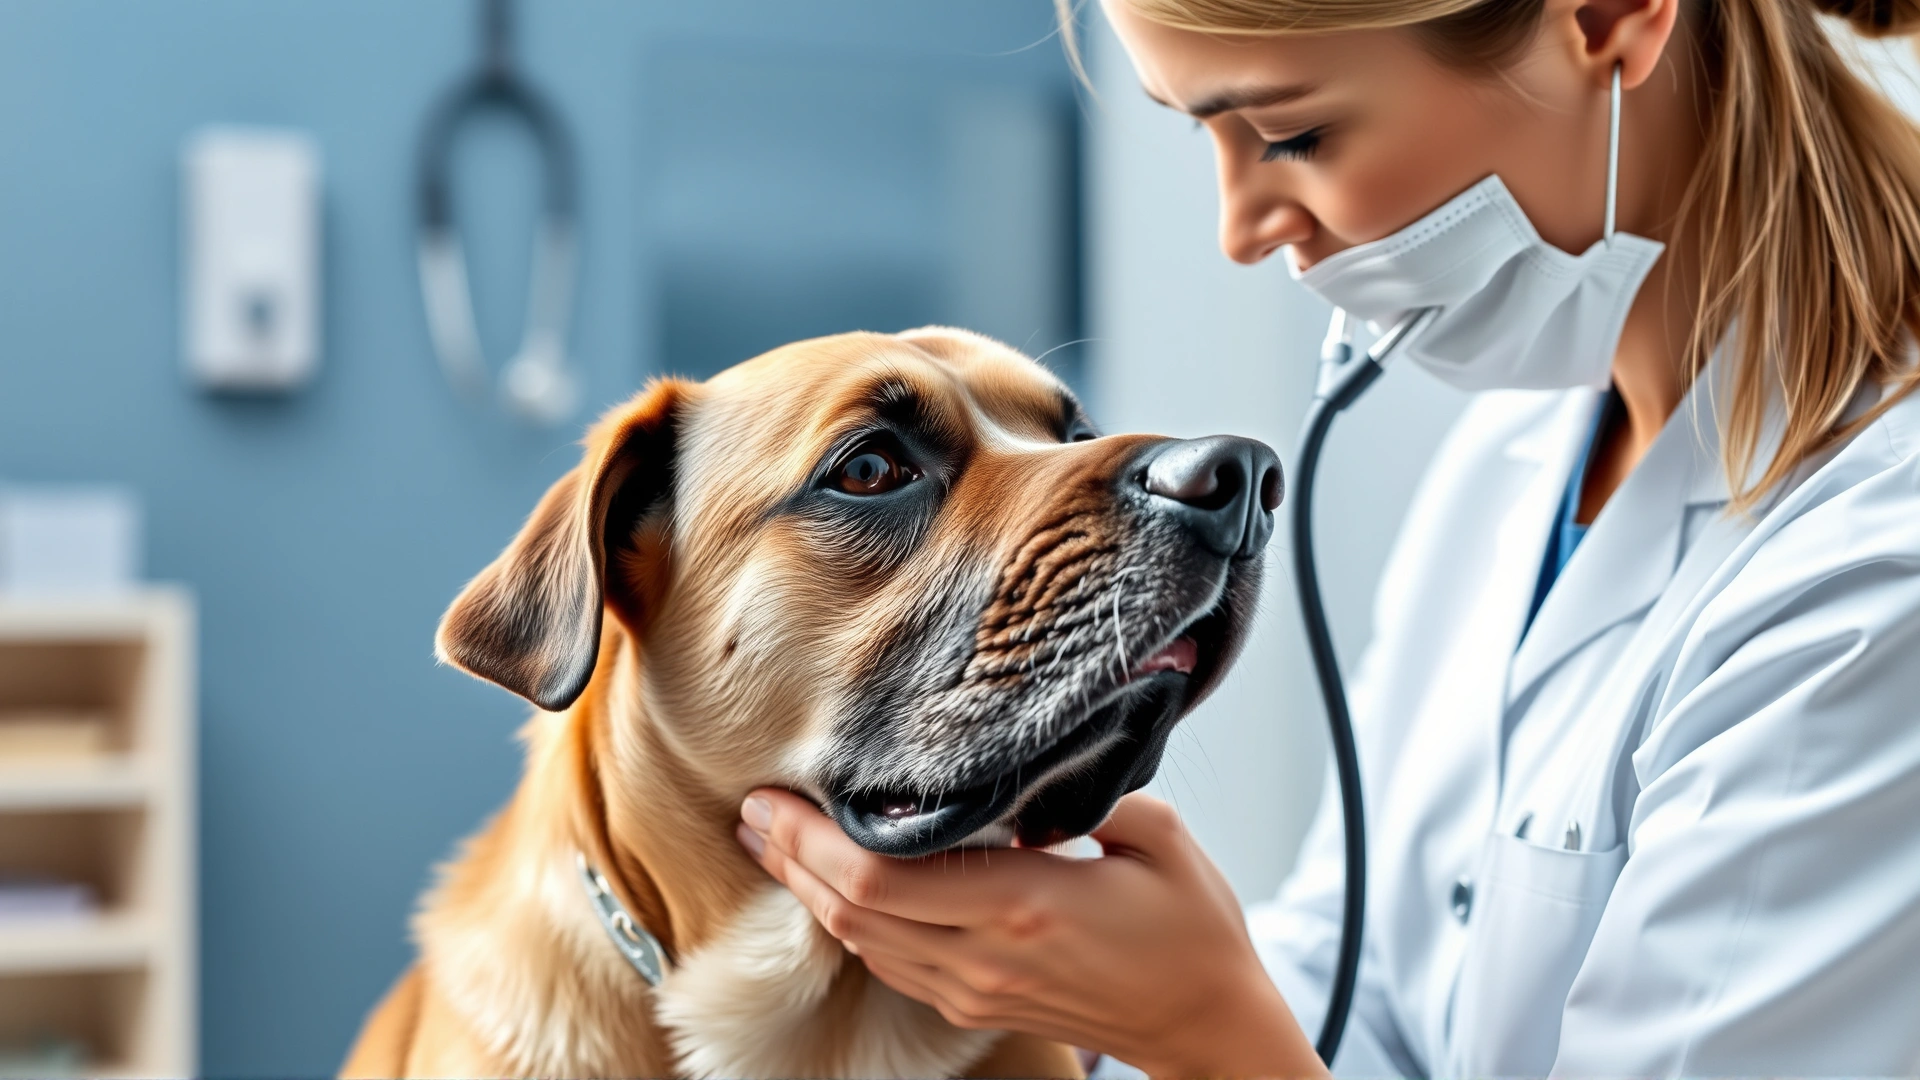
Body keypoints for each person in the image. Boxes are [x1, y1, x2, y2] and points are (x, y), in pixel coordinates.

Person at [733, 0, 1920, 1074]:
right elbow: (1370, 1000)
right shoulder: (1508, 472)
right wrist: (1080, 989)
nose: (1240, 231)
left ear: (1606, 16)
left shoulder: (1876, 585)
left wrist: (1200, 1032)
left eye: (1291, 136)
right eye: (1198, 133)